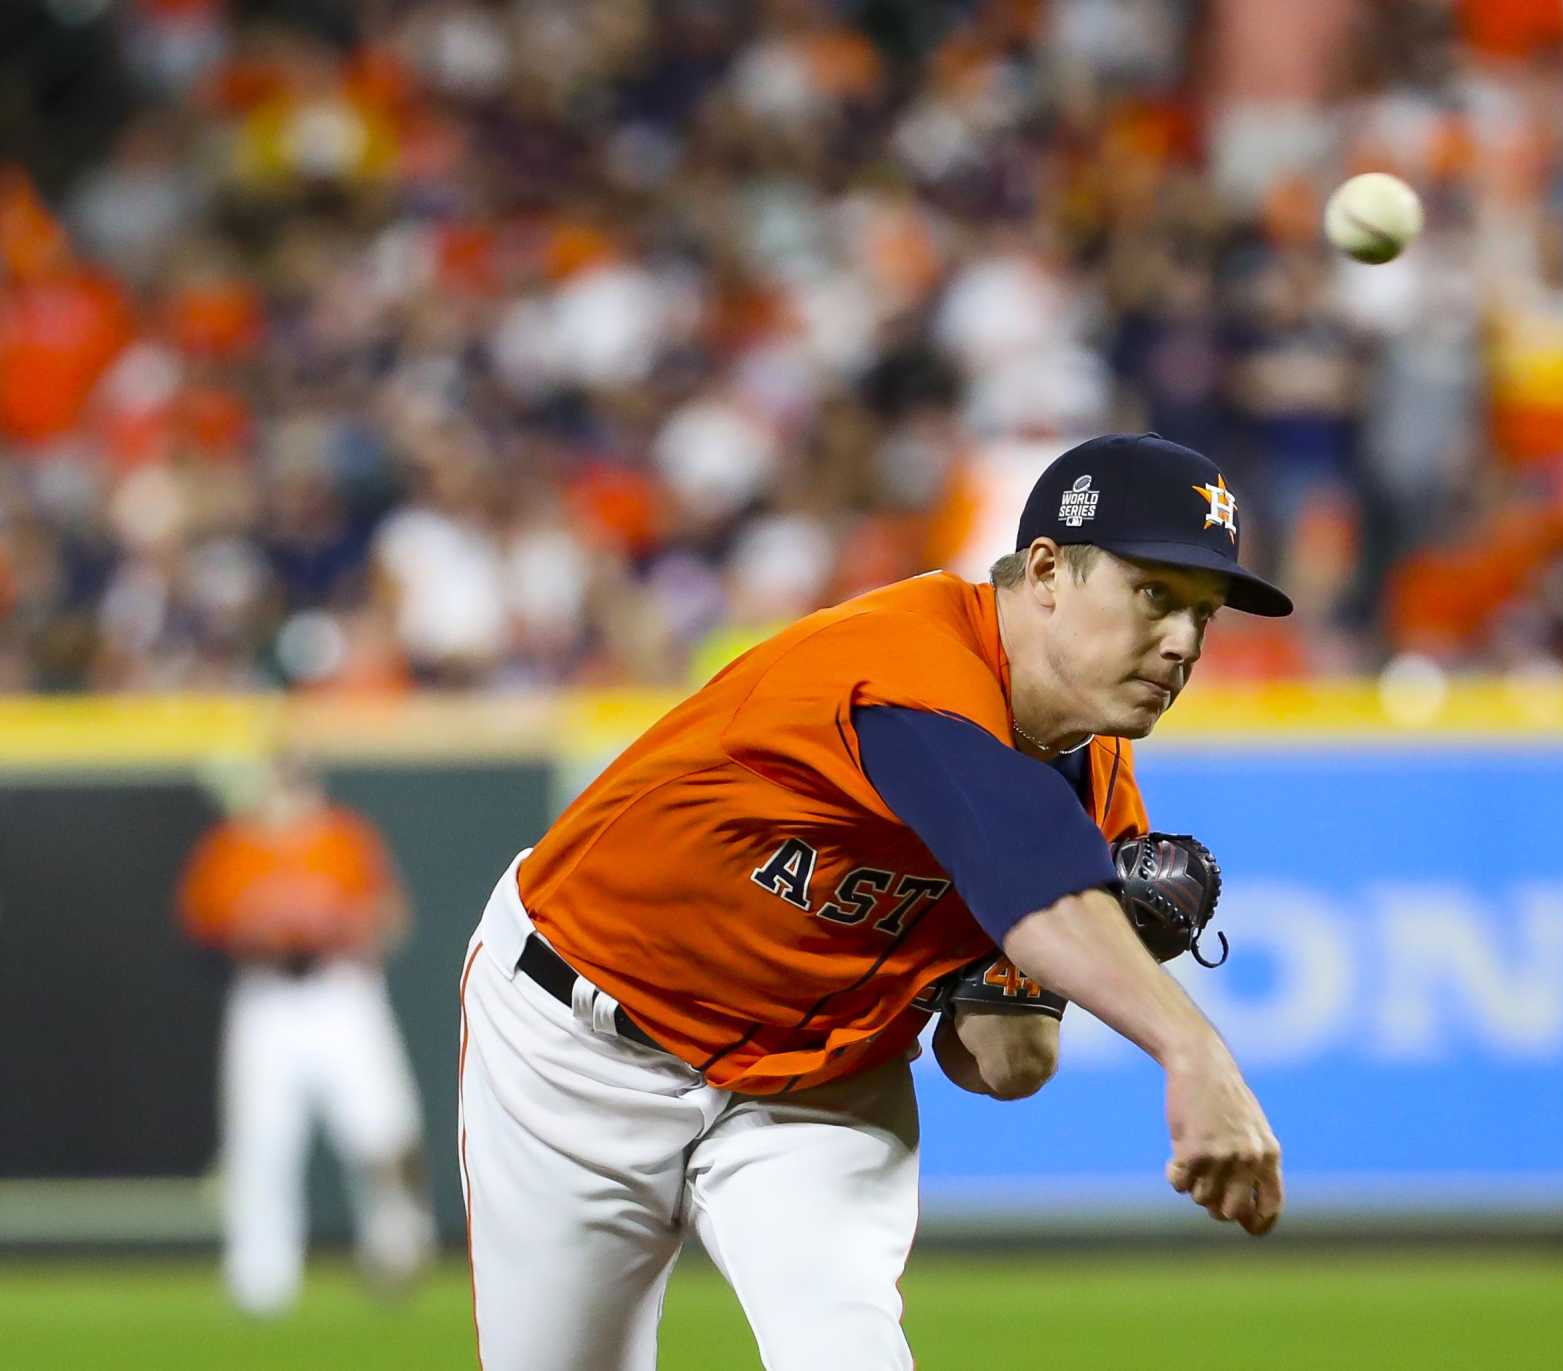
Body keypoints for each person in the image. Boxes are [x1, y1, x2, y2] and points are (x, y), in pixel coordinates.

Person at [457, 433, 1293, 1370]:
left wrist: (1020, 968)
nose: (1182, 642)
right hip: (579, 1047)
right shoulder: (906, 659)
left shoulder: (1097, 779)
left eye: (1204, 616)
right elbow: (1020, 851)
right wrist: (1193, 1048)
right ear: (1049, 570)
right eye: (1155, 596)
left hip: (817, 1087)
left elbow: (1006, 1062)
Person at [177, 750, 434, 1316]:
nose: (286, 792)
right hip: (266, 995)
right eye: (277, 780)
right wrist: (259, 925)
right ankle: (260, 1278)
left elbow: (391, 914)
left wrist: (344, 922)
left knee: (382, 1127)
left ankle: (398, 1251)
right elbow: (203, 919)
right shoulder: (234, 845)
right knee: (262, 1140)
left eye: (293, 780)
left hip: (342, 990)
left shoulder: (343, 837)